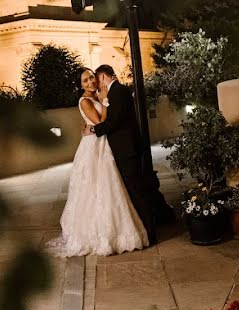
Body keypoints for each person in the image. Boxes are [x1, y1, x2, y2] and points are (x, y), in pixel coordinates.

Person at [49, 68, 149, 256]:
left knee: (112, 185)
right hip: (94, 147)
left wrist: (102, 100)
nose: (90, 82)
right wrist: (103, 101)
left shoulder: (97, 97)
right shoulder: (86, 101)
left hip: (105, 143)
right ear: (80, 85)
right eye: (85, 81)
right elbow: (101, 121)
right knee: (97, 185)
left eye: (91, 78)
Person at [90, 64, 158, 246]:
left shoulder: (118, 91)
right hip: (124, 148)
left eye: (97, 80)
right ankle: (146, 227)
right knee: (134, 189)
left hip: (127, 149)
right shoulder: (114, 92)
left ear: (103, 76)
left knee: (137, 189)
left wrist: (94, 129)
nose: (96, 84)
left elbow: (115, 121)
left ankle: (151, 232)